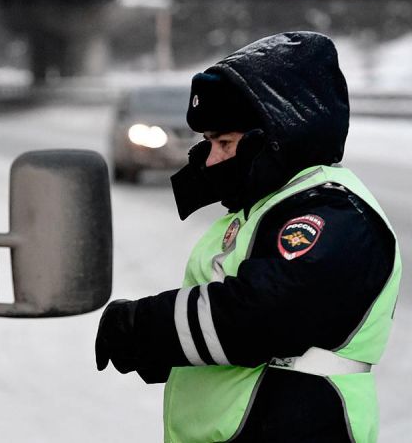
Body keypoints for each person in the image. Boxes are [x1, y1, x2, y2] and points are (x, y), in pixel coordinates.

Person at [95, 32, 401, 442]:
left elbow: (262, 314)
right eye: (208, 143)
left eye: (225, 142)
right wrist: (168, 351)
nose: (213, 158)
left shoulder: (330, 211)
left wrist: (147, 328)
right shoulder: (265, 207)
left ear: (280, 137)